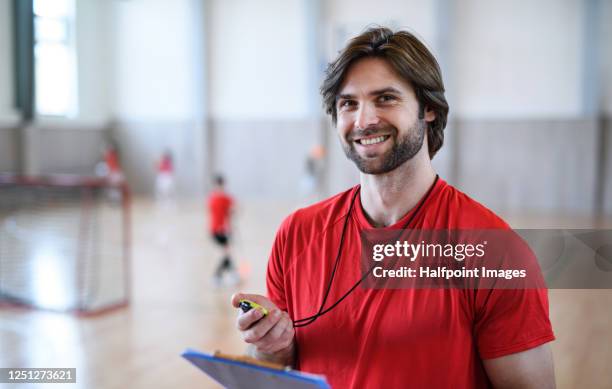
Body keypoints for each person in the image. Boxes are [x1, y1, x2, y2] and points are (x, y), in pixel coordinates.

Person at [231, 27, 555, 388]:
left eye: (385, 98)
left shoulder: (495, 250)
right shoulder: (297, 234)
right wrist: (270, 348)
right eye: (348, 103)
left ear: (428, 108)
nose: (364, 119)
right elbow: (273, 368)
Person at [208, 174, 238, 286]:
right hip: (220, 231)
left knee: (227, 253)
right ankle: (217, 276)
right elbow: (235, 208)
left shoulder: (212, 197)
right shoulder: (225, 198)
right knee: (226, 254)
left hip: (217, 230)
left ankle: (233, 273)